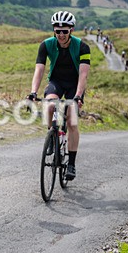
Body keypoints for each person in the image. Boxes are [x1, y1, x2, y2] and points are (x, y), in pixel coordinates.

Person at [27, 11, 91, 181]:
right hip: (56, 82)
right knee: (49, 105)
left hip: (74, 85)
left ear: (72, 30)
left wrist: (78, 96)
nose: (61, 34)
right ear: (53, 30)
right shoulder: (46, 45)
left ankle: (71, 164)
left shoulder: (82, 47)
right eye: (58, 31)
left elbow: (83, 74)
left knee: (71, 121)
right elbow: (39, 69)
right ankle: (52, 134)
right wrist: (33, 91)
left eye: (65, 31)